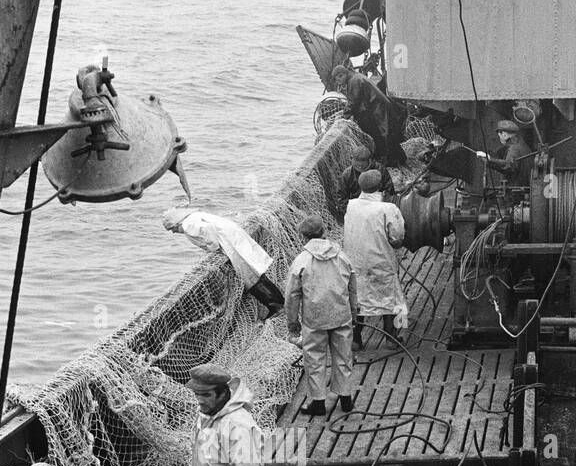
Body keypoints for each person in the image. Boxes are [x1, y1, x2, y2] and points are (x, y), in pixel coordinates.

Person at [285, 214, 357, 419]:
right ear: (324, 231)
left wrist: (293, 325)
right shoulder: (342, 256)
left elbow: (292, 296)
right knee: (343, 357)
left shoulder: (302, 261)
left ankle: (318, 402)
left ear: (303, 237)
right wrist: (353, 312)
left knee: (314, 360)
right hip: (341, 315)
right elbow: (352, 286)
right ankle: (346, 399)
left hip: (314, 320)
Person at [162, 207, 284, 317]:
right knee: (256, 273)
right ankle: (281, 303)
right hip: (234, 236)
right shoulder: (194, 216)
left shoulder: (188, 225)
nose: (173, 232)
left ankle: (276, 307)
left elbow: (207, 230)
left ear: (177, 223)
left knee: (251, 279)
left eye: (172, 229)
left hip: (230, 243)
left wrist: (213, 247)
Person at [343, 168, 408, 345]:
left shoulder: (351, 205)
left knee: (357, 300)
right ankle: (392, 339)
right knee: (393, 300)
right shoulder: (388, 208)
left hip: (354, 263)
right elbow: (397, 239)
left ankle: (355, 341)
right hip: (380, 262)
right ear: (381, 187)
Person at [477, 119, 532, 185]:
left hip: (516, 192)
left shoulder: (514, 148)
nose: (500, 138)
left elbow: (509, 165)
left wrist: (489, 159)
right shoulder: (524, 146)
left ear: (504, 134)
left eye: (499, 135)